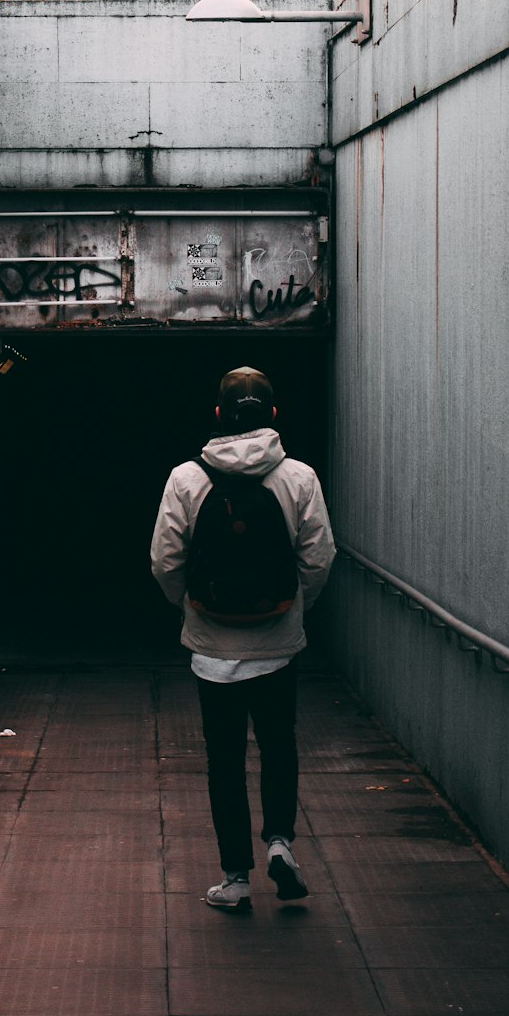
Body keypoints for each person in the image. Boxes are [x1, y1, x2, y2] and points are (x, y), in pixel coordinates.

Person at [150, 365, 335, 911]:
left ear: (218, 417)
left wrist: (189, 607)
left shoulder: (186, 479)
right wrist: (293, 608)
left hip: (212, 649)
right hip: (278, 644)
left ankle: (235, 878)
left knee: (224, 761)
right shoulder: (299, 478)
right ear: (273, 417)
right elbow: (319, 559)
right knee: (279, 747)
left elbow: (164, 561)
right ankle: (279, 841)